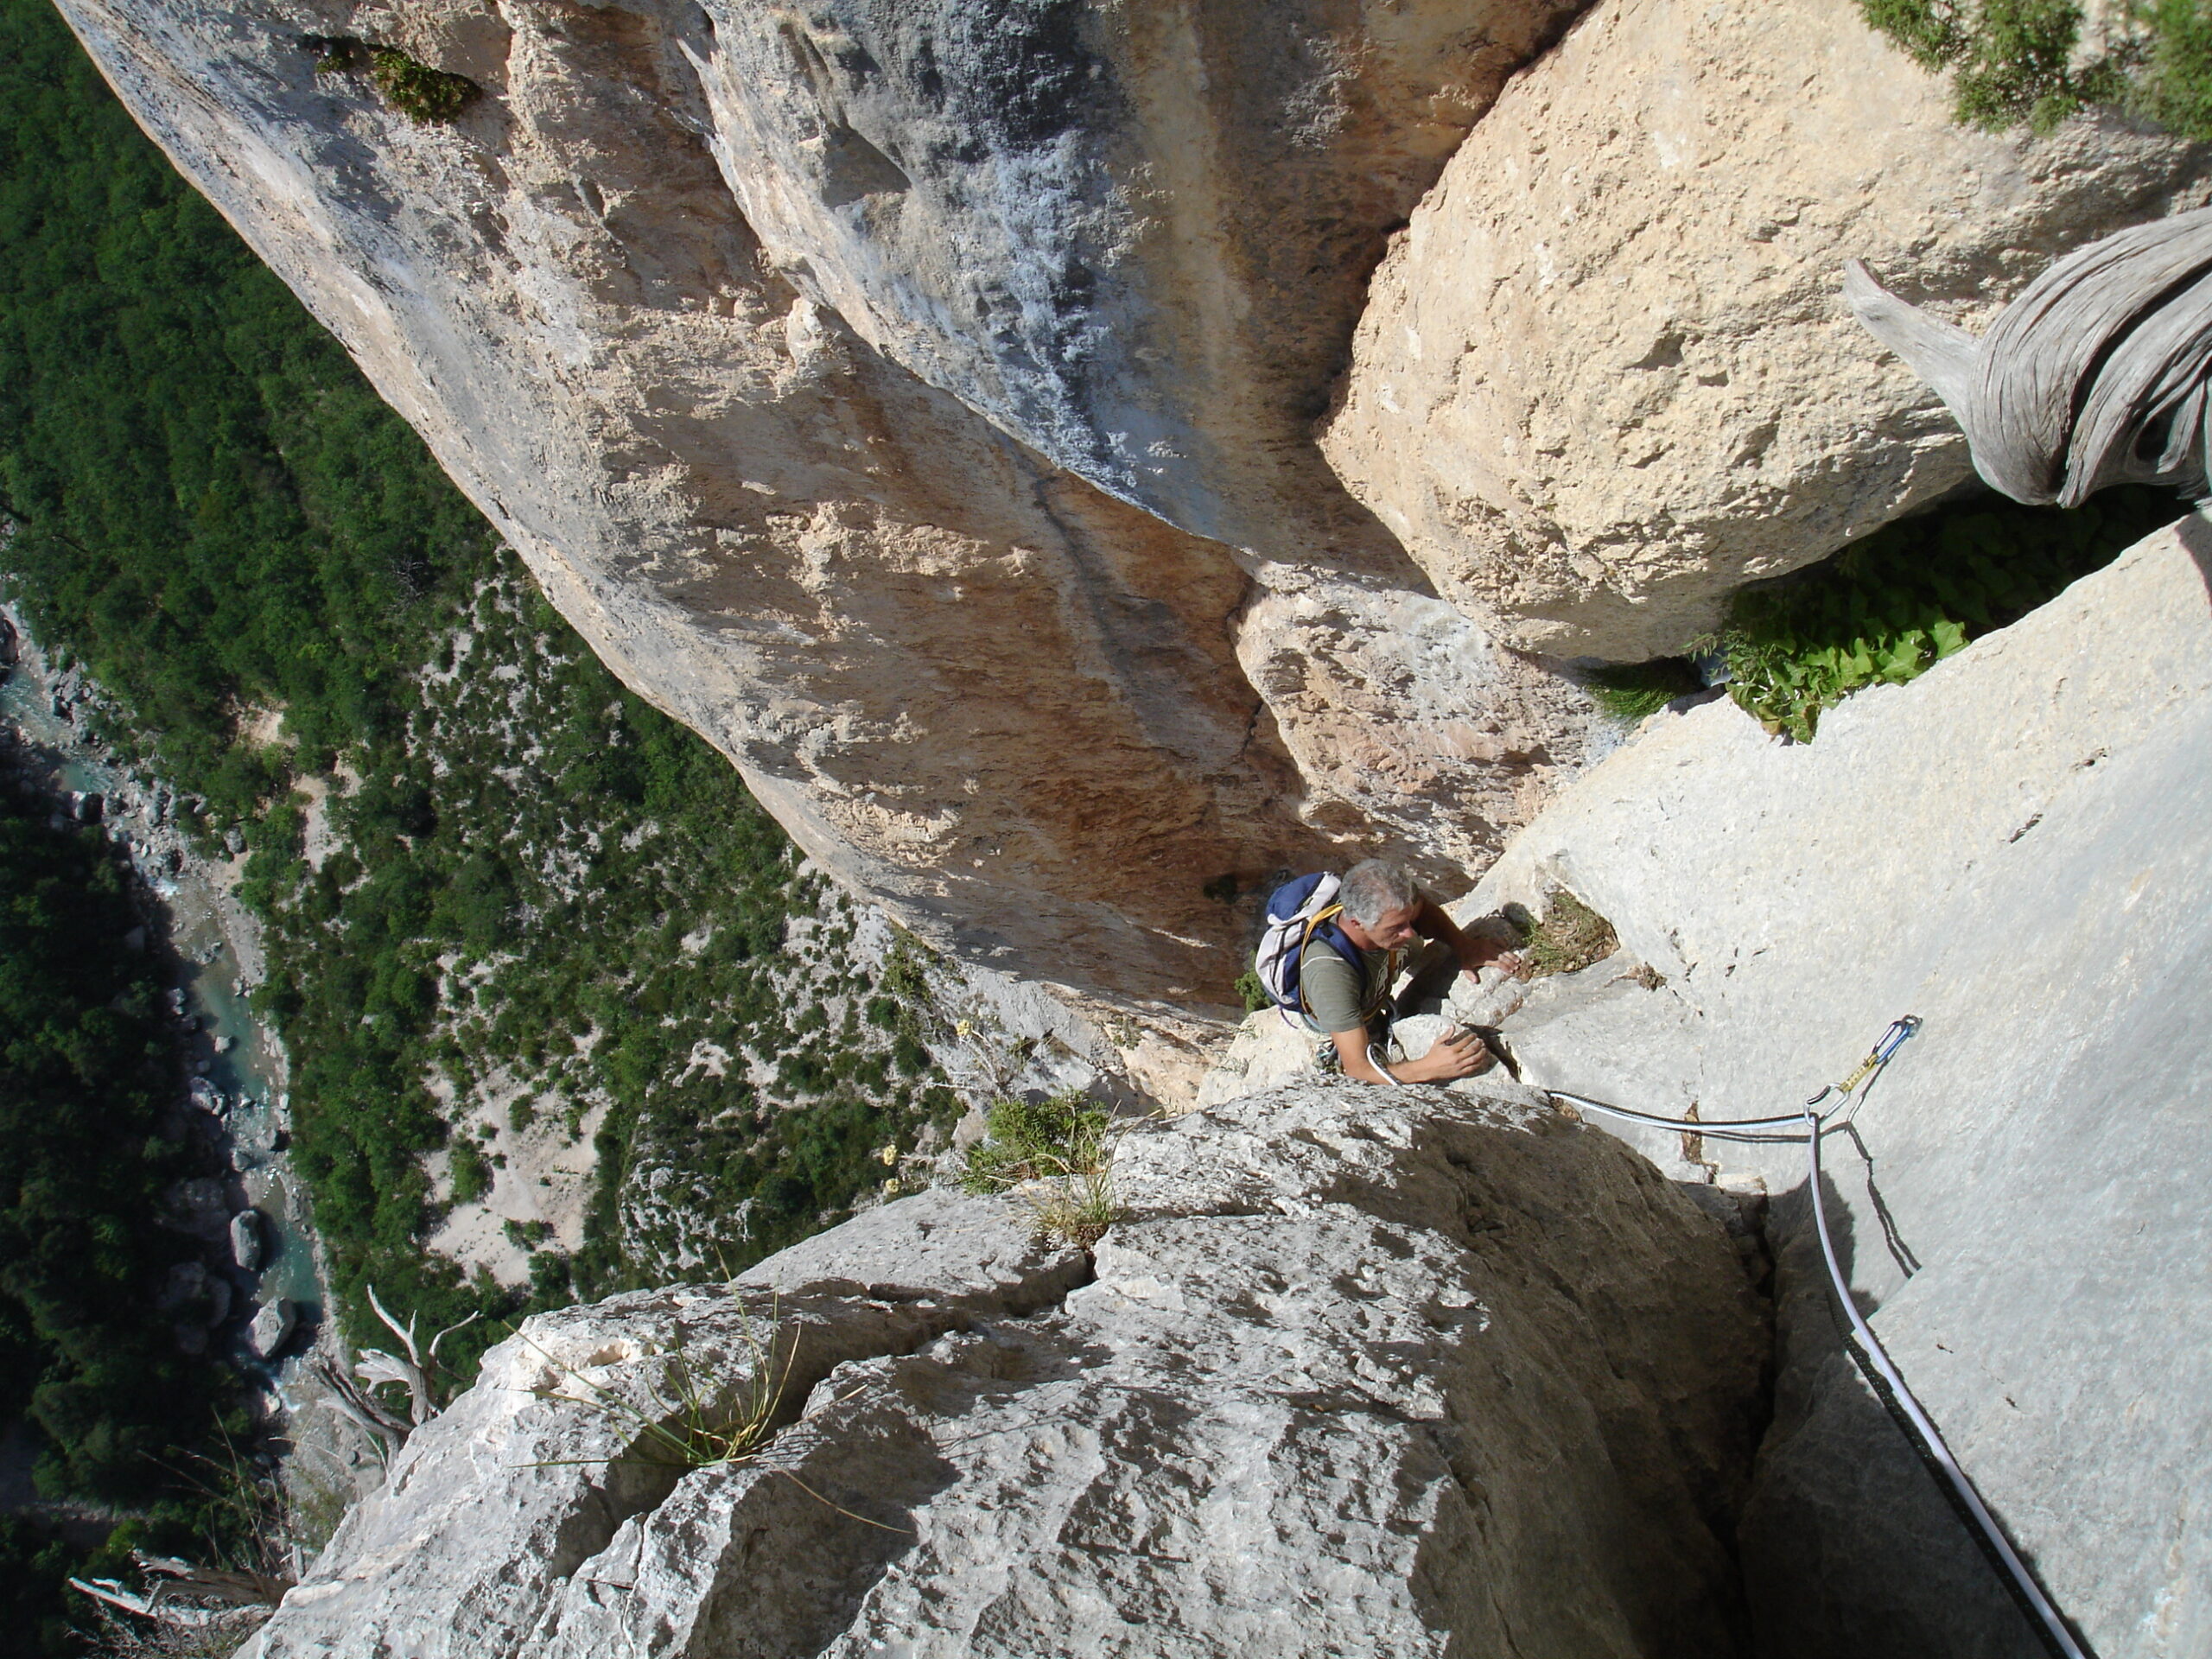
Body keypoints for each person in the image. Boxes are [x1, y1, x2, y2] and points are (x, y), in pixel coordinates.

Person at [1299, 858, 1521, 1086]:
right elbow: (1358, 1071)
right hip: (1342, 1008)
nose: (1410, 932)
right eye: (1396, 928)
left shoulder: (1391, 905)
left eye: (1408, 921)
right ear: (1357, 923)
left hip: (1372, 971)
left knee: (1412, 944)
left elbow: (1422, 910)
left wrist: (1464, 946)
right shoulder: (1331, 974)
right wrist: (1428, 1068)